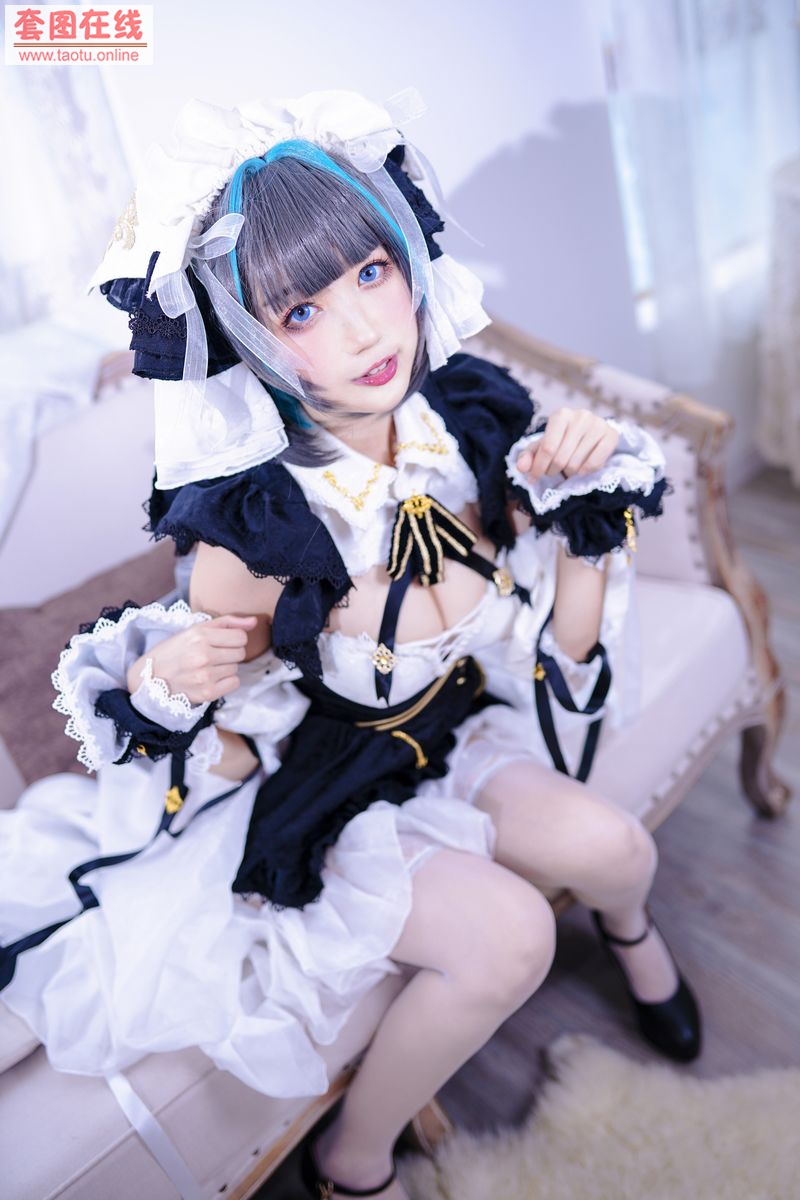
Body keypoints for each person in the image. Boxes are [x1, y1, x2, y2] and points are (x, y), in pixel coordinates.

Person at [0, 88, 701, 1200]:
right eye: (302, 310)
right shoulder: (258, 524)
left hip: (454, 723)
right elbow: (222, 736)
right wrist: (163, 682)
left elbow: (561, 655)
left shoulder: (466, 413)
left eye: (372, 272)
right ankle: (354, 1160)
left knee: (614, 849)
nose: (367, 329)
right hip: (333, 778)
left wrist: (586, 514)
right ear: (249, 339)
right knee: (512, 939)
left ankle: (628, 930)